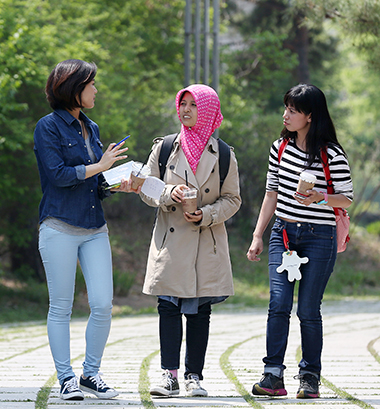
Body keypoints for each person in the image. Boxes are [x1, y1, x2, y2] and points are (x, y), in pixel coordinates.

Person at [247, 84, 353, 399]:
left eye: (293, 110)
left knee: (308, 309)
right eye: (286, 108)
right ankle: (272, 376)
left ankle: (309, 377)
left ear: (310, 115)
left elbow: (346, 199)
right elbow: (271, 193)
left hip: (319, 237)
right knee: (278, 304)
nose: (286, 115)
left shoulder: (331, 154)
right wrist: (257, 235)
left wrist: (321, 197)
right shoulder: (279, 148)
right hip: (283, 234)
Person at [135, 84, 241, 397]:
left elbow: (233, 199)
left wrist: (206, 214)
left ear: (207, 111)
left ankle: (194, 376)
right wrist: (170, 193)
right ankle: (169, 376)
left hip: (204, 240)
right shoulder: (165, 147)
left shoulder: (223, 154)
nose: (185, 110)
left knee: (199, 310)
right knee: (167, 306)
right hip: (170, 241)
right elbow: (145, 187)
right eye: (183, 104)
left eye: (193, 105)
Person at [33, 59, 129, 401]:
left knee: (103, 304)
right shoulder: (47, 127)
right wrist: (100, 166)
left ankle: (91, 373)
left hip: (93, 227)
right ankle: (66, 378)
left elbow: (97, 183)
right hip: (58, 224)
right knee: (61, 306)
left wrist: (118, 182)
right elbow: (59, 175)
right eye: (91, 84)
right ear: (74, 88)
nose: (96, 90)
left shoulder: (93, 128)